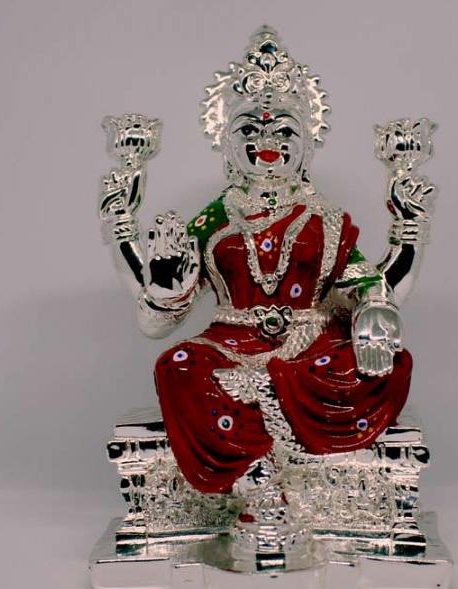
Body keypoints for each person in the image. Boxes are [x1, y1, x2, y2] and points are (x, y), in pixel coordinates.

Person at [98, 26, 435, 501]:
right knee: (176, 366)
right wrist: (158, 277)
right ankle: (251, 471)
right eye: (249, 130)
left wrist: (381, 295)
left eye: (283, 130)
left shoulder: (325, 219)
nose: (267, 139)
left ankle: (265, 431)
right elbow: (155, 324)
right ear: (227, 145)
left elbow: (368, 286)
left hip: (311, 347)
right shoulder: (214, 219)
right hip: (228, 345)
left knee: (386, 361)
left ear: (307, 146)